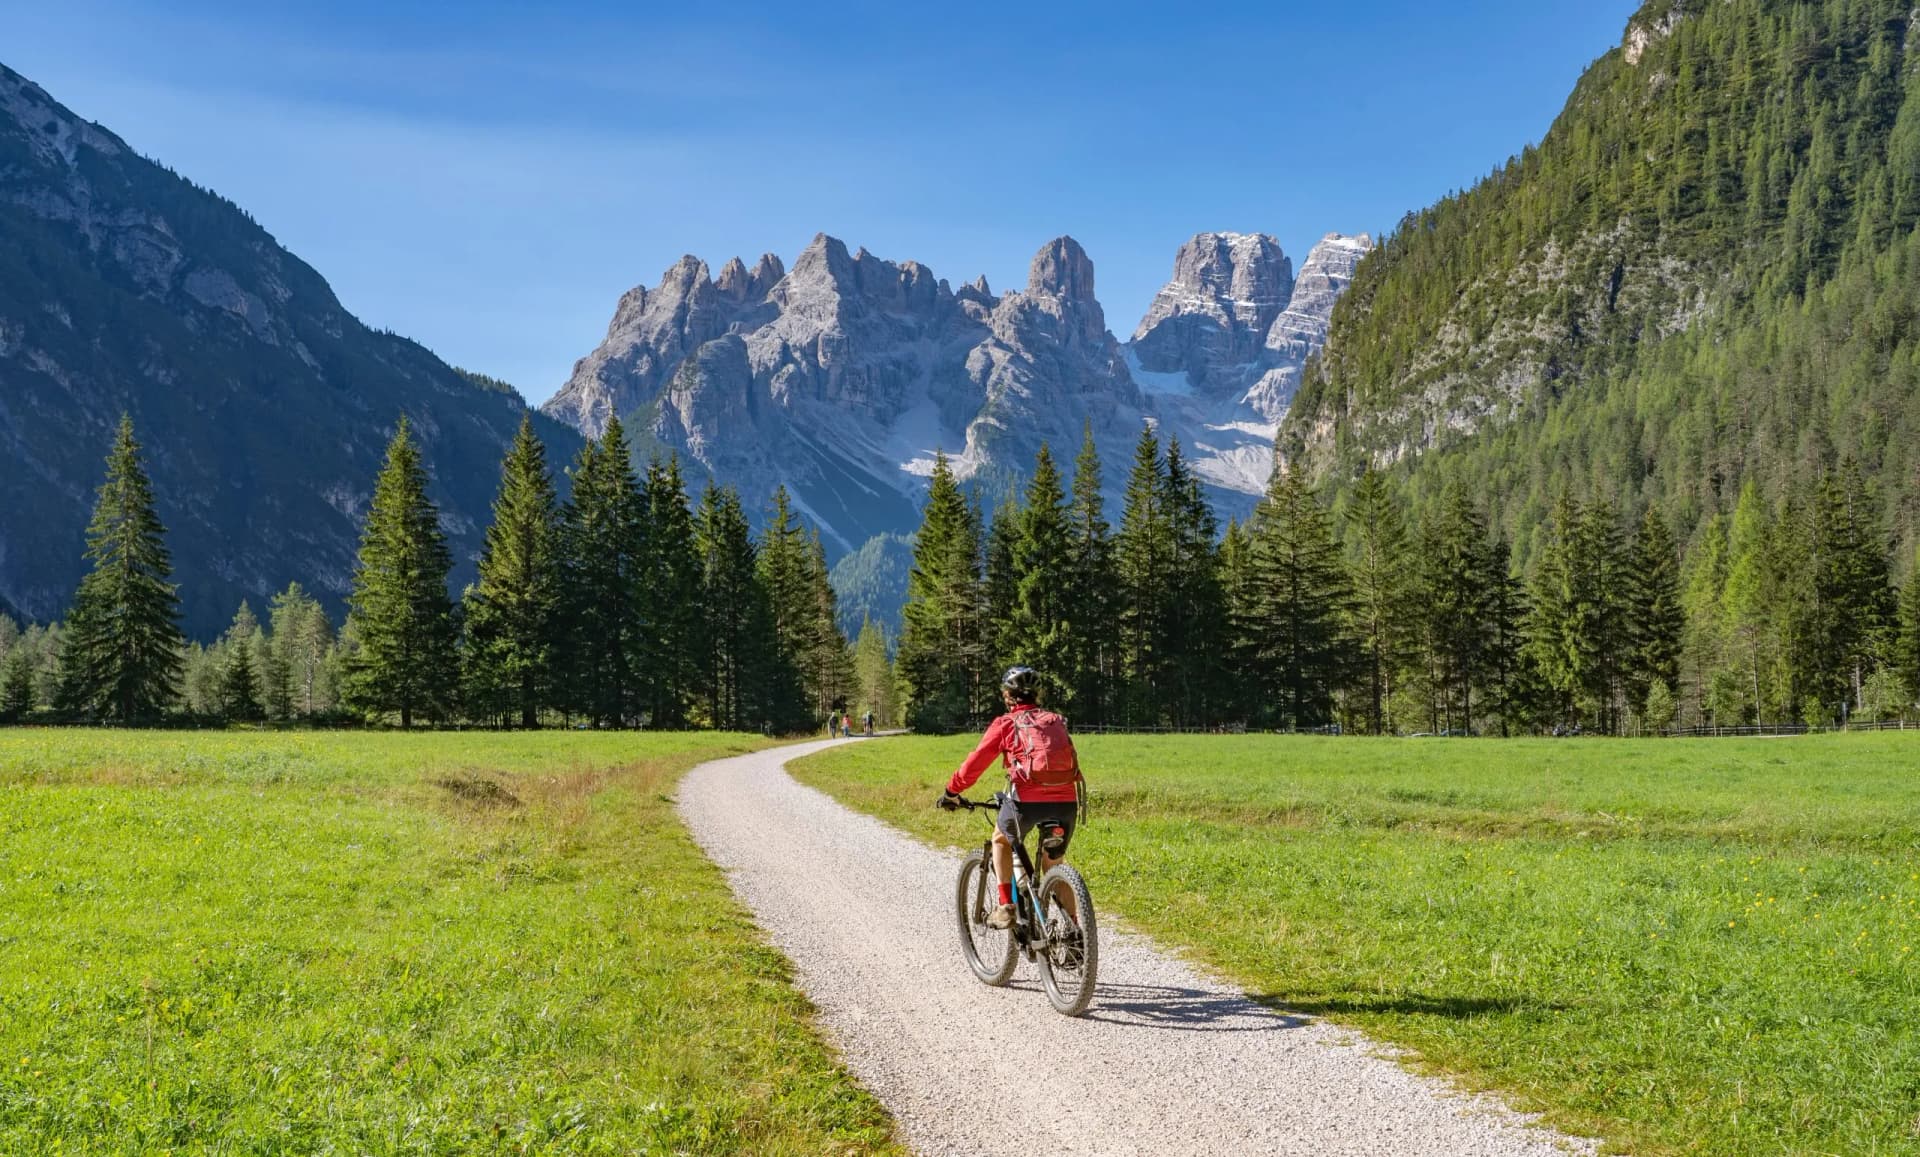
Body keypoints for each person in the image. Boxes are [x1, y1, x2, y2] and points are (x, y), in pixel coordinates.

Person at [937, 666, 1083, 929]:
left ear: (1007, 695)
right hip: (1066, 802)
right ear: (1037, 695)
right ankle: (1075, 934)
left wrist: (952, 791)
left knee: (1001, 839)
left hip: (1026, 802)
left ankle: (1006, 906)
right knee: (1053, 864)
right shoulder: (1056, 720)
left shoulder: (1005, 724)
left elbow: (974, 765)